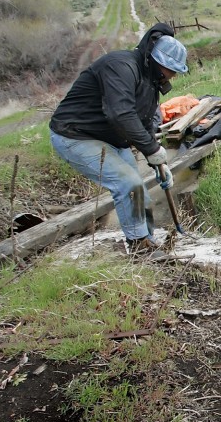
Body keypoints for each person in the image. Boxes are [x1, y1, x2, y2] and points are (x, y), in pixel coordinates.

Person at [49, 23, 188, 257]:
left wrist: (158, 162)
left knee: (139, 189)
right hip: (75, 135)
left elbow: (143, 121)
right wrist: (152, 149)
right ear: (156, 62)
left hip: (111, 139)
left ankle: (148, 239)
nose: (172, 76)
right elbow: (120, 113)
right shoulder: (120, 66)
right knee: (128, 184)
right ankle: (140, 248)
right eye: (170, 70)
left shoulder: (149, 81)